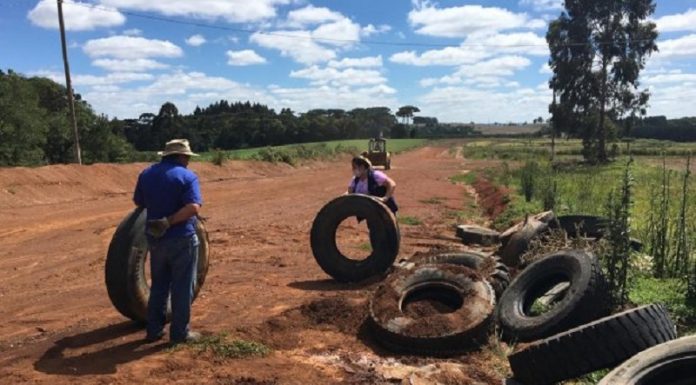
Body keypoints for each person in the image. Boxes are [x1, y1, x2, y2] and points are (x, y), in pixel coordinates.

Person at [133, 139, 203, 345]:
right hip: (182, 238)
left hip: (155, 239)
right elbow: (193, 207)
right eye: (187, 157)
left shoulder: (146, 174)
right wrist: (169, 220)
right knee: (182, 287)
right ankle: (180, 333)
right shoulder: (187, 177)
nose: (188, 161)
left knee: (159, 286)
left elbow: (139, 201)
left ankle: (154, 330)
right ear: (180, 156)